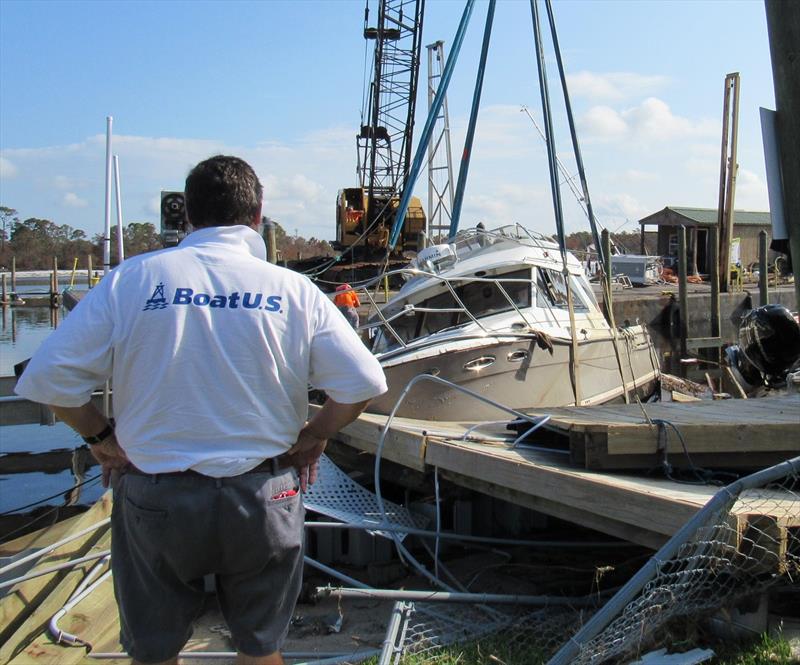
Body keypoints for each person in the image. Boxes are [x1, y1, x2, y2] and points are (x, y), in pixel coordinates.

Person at [15, 155, 387, 665]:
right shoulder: (292, 289)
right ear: (257, 216)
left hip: (155, 496)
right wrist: (316, 434)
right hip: (263, 494)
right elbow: (364, 382)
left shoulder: (133, 280)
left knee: (154, 651)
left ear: (187, 214)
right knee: (261, 650)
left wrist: (101, 438)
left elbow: (49, 379)